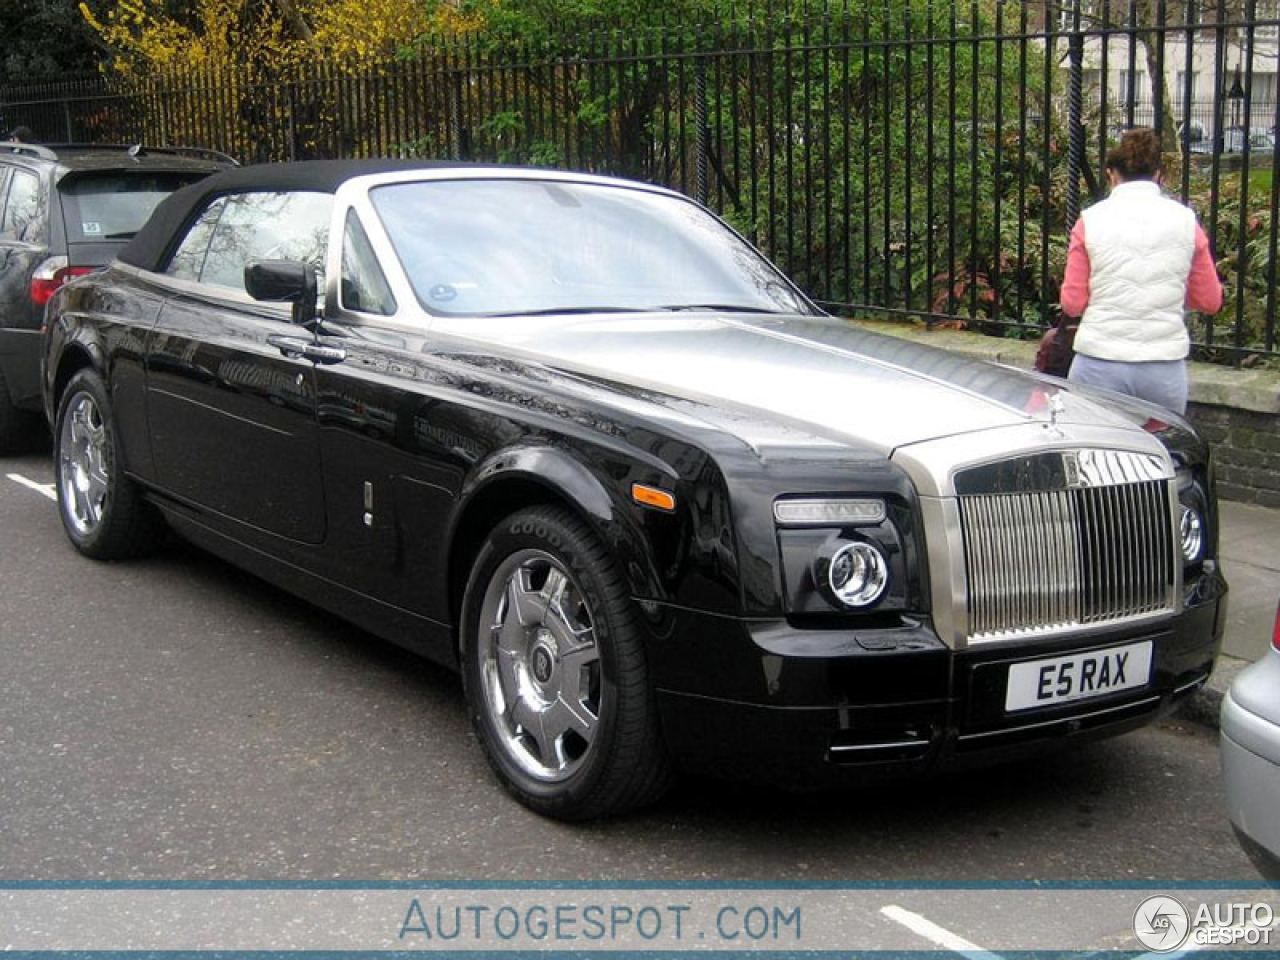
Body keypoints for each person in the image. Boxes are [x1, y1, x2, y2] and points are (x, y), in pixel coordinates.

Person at [1059, 127, 1222, 414]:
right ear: (1158, 175)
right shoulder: (1186, 221)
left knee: (1095, 452)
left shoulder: (1090, 222)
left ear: (1111, 174)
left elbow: (1072, 304)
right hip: (1164, 366)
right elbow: (1210, 301)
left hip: (1100, 360)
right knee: (1160, 453)